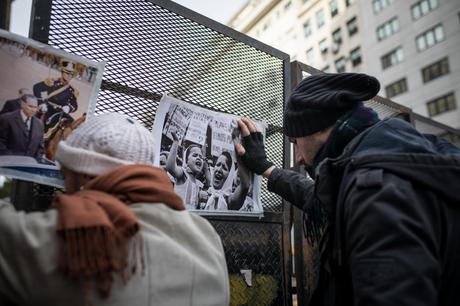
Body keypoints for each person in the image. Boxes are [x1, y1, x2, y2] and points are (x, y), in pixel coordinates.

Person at [235, 72, 460, 306]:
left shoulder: (375, 191)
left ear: (320, 129)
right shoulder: (394, 154)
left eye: (295, 142)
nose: (299, 157)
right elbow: (322, 195)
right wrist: (266, 168)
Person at [0, 113, 230, 306]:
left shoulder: (64, 233)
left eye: (65, 174)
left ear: (86, 174)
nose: (63, 185)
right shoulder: (206, 234)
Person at [165, 132, 209, 210]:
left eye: (201, 157)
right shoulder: (183, 174)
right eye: (195, 155)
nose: (199, 158)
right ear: (186, 160)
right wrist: (175, 142)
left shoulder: (199, 185)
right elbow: (170, 167)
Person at [33, 60, 79, 133]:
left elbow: (75, 105)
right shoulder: (51, 82)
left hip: (61, 113)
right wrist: (41, 103)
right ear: (62, 72)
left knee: (73, 125)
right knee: (41, 127)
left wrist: (69, 108)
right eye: (67, 73)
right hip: (48, 109)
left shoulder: (71, 90)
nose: (69, 76)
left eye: (71, 74)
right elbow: (37, 88)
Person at [0, 94, 44, 160]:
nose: (33, 110)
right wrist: (10, 159)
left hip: (29, 165)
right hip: (8, 163)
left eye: (35, 107)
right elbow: (1, 142)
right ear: (22, 105)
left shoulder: (39, 124)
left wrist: (35, 161)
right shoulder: (6, 119)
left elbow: (40, 147)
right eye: (30, 106)